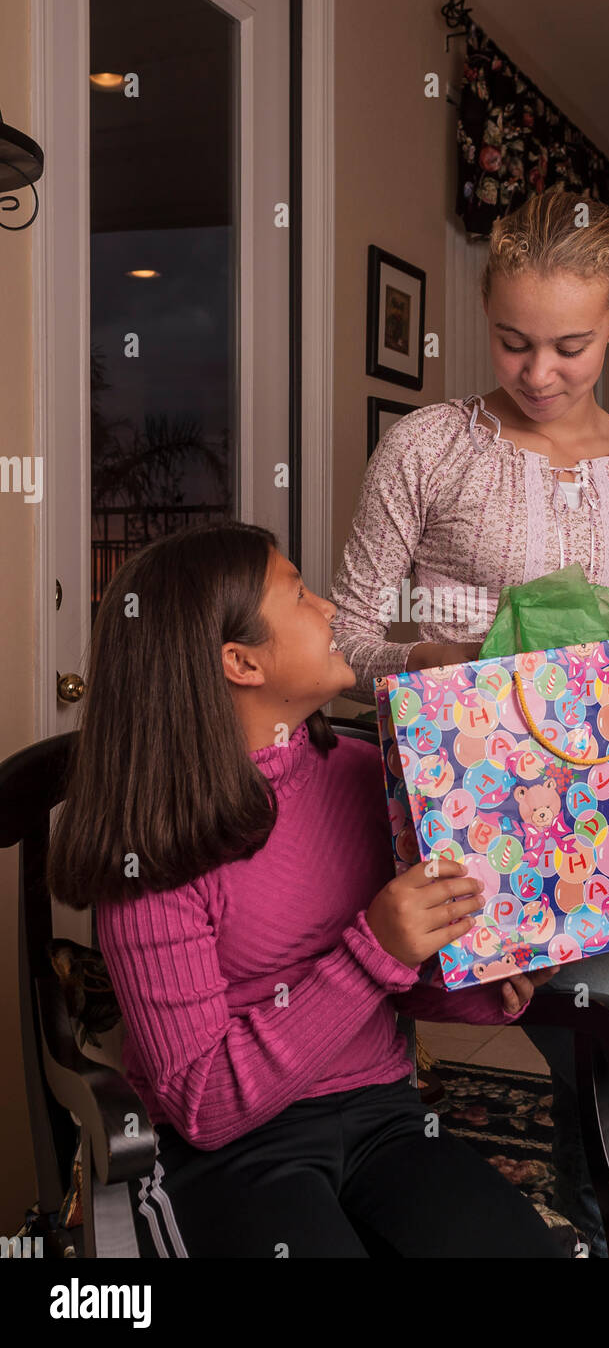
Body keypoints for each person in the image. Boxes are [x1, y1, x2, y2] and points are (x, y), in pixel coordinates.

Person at [328, 188, 609, 1257]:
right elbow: (341, 640)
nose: (536, 372)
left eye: (568, 345)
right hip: (487, 838)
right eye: (513, 341)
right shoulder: (431, 447)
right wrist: (427, 661)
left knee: (602, 1108)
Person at [46, 521, 568, 1259]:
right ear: (240, 661)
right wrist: (371, 952)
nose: (328, 610)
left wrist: (491, 978)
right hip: (226, 1151)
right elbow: (201, 1103)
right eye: (299, 594)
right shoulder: (155, 847)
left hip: (383, 1116)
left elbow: (403, 984)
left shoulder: (365, 775)